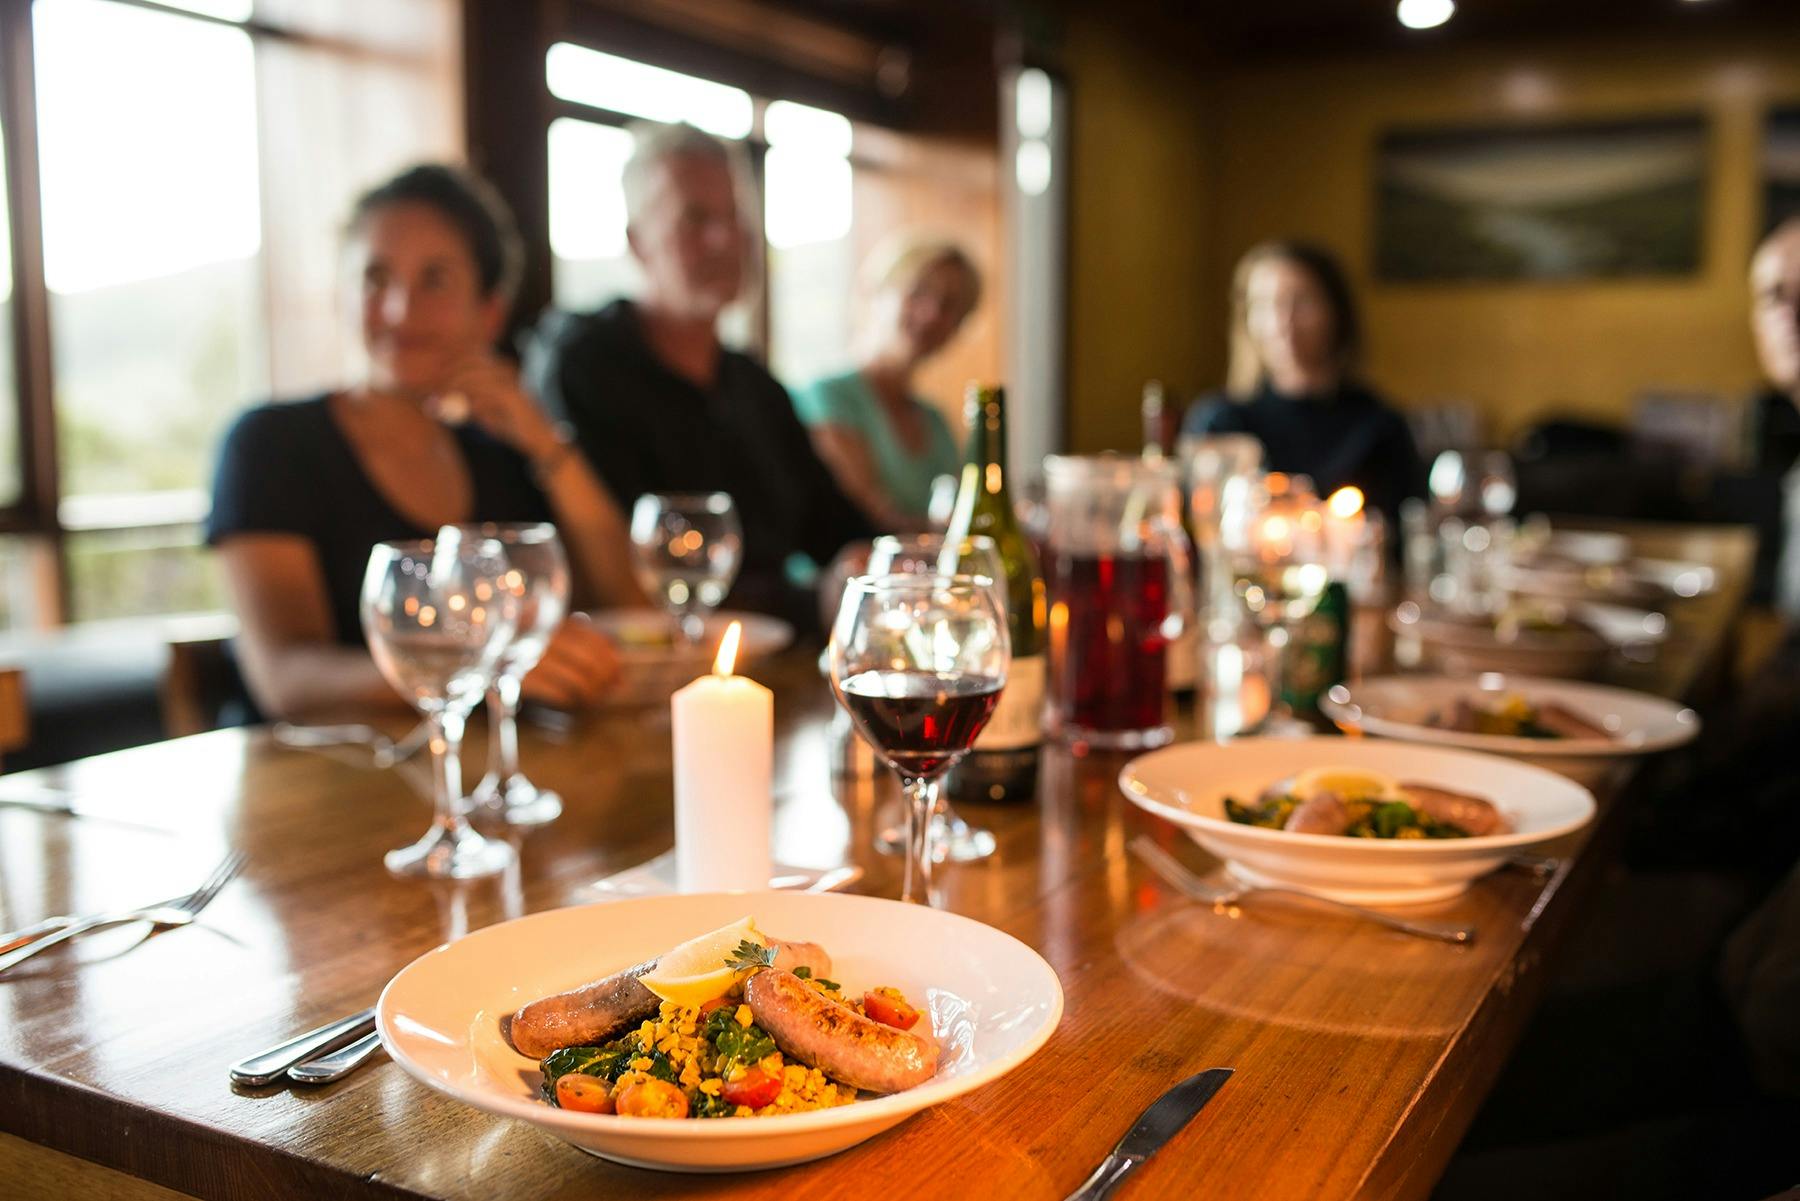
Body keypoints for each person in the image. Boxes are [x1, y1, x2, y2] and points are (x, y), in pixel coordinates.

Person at [207, 164, 646, 721]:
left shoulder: (502, 455)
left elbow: (629, 609)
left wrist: (546, 443)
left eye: (434, 281)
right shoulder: (270, 444)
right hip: (316, 787)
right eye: (375, 279)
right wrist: (484, 668)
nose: (398, 310)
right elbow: (285, 680)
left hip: (486, 780)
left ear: (489, 312)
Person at [524, 122, 871, 628]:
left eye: (735, 216)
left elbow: (837, 530)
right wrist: (811, 600)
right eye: (696, 218)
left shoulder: (755, 386)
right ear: (637, 242)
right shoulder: (584, 366)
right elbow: (631, 581)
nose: (725, 238)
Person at [1181, 240, 1422, 532]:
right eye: (1265, 304)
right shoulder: (1221, 424)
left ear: (1336, 312)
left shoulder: (1378, 426)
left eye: (1302, 302)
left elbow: (1409, 534)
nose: (1283, 322)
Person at [790, 239, 979, 529]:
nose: (933, 314)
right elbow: (867, 521)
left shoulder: (935, 421)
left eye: (949, 305)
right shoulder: (827, 397)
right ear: (874, 293)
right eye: (918, 292)